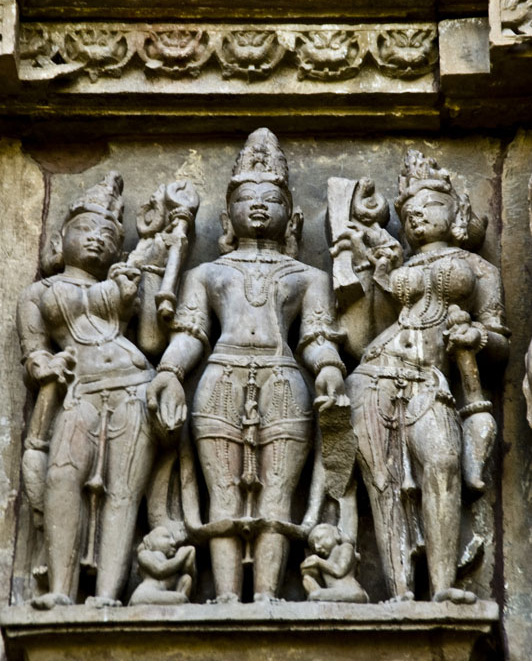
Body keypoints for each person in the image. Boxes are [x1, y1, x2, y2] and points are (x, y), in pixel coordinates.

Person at [148, 128, 346, 603]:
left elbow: (316, 337)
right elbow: (190, 334)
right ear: (227, 217)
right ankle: (225, 597)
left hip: (283, 380)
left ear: (292, 218)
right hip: (220, 378)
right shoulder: (206, 274)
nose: (258, 206)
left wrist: (329, 368)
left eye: (271, 199)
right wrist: (170, 373)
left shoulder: (308, 277)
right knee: (223, 491)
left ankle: (268, 597)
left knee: (277, 493)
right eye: (246, 199)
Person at [333, 151, 509, 603]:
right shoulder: (400, 265)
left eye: (430, 204)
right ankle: (401, 594)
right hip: (374, 374)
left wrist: (477, 337)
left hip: (432, 380)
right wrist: (371, 271)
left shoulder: (479, 268)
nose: (416, 213)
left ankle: (444, 585)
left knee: (444, 462)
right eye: (409, 208)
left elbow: (499, 343)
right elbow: (362, 336)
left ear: (457, 212)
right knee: (384, 483)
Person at [17, 172, 183, 609]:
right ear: (61, 239)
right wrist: (45, 364)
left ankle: (108, 596)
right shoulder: (39, 292)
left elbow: (151, 340)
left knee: (123, 493)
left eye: (108, 235)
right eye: (85, 229)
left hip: (134, 387)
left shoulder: (124, 278)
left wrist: (148, 275)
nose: (96, 239)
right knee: (62, 478)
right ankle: (61, 589)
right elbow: (34, 353)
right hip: (80, 390)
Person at [300, 523, 368, 602]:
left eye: (319, 539)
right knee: (309, 585)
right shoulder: (324, 561)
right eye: (313, 546)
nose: (317, 547)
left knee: (315, 595)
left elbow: (339, 571)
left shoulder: (346, 547)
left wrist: (318, 561)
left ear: (335, 534)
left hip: (353, 592)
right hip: (334, 592)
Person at [129, 526, 196, 605]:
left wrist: (189, 559)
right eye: (166, 537)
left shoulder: (172, 565)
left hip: (162, 595)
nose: (173, 542)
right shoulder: (144, 554)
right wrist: (180, 557)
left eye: (173, 538)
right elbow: (159, 570)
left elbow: (188, 579)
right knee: (182, 599)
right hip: (144, 594)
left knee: (186, 580)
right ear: (149, 543)